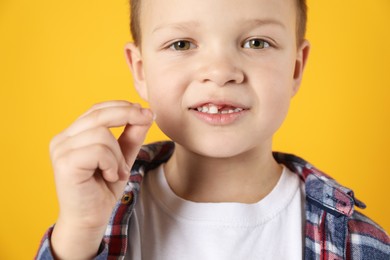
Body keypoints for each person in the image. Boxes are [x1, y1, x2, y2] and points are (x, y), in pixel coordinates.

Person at [36, 0, 389, 259]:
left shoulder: (356, 242)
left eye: (256, 43)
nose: (220, 72)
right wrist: (80, 233)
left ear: (296, 67)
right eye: (182, 44)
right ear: (141, 70)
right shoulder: (90, 225)